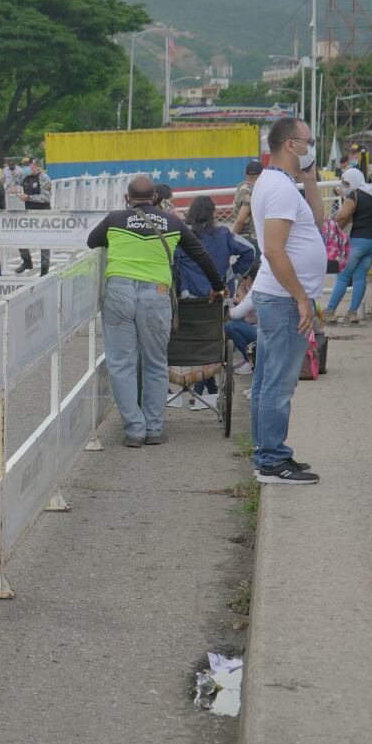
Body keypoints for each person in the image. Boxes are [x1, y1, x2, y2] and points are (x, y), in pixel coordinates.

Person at [88, 174, 225, 447]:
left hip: (119, 291)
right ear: (155, 198)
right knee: (155, 362)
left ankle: (134, 430)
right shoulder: (173, 222)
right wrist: (218, 285)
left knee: (121, 364)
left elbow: (92, 242)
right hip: (157, 295)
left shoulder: (114, 219)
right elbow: (200, 254)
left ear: (127, 198)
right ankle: (154, 428)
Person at [249, 117, 326, 485]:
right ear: (290, 144)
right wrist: (300, 298)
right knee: (278, 384)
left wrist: (310, 180)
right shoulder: (279, 188)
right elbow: (275, 250)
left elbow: (316, 221)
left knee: (267, 380)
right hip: (283, 299)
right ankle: (272, 461)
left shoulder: (282, 184)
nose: (312, 146)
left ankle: (265, 453)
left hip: (278, 296)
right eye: (308, 141)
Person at [172, 196, 255, 410]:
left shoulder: (181, 236)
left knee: (196, 340)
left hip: (187, 302)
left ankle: (202, 391)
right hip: (218, 299)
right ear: (213, 213)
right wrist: (232, 272)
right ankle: (205, 391)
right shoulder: (224, 235)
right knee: (212, 340)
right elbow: (250, 252)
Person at [324, 167, 372, 324]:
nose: (345, 185)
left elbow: (342, 215)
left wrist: (334, 230)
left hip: (358, 242)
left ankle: (329, 312)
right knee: (360, 276)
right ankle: (352, 313)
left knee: (343, 275)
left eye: (346, 182)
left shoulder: (354, 195)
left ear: (353, 181)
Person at [13, 158, 52, 275]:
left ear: (34, 165)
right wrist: (12, 186)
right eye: (23, 165)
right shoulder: (23, 176)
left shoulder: (43, 178)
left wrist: (28, 197)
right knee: (20, 238)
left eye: (27, 165)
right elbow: (10, 180)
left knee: (44, 244)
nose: (25, 168)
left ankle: (44, 271)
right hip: (29, 214)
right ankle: (27, 261)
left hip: (43, 214)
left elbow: (46, 197)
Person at [231, 160, 262, 247]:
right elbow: (241, 220)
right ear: (261, 175)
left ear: (246, 174)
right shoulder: (252, 191)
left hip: (244, 237)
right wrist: (232, 237)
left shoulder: (241, 186)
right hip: (251, 237)